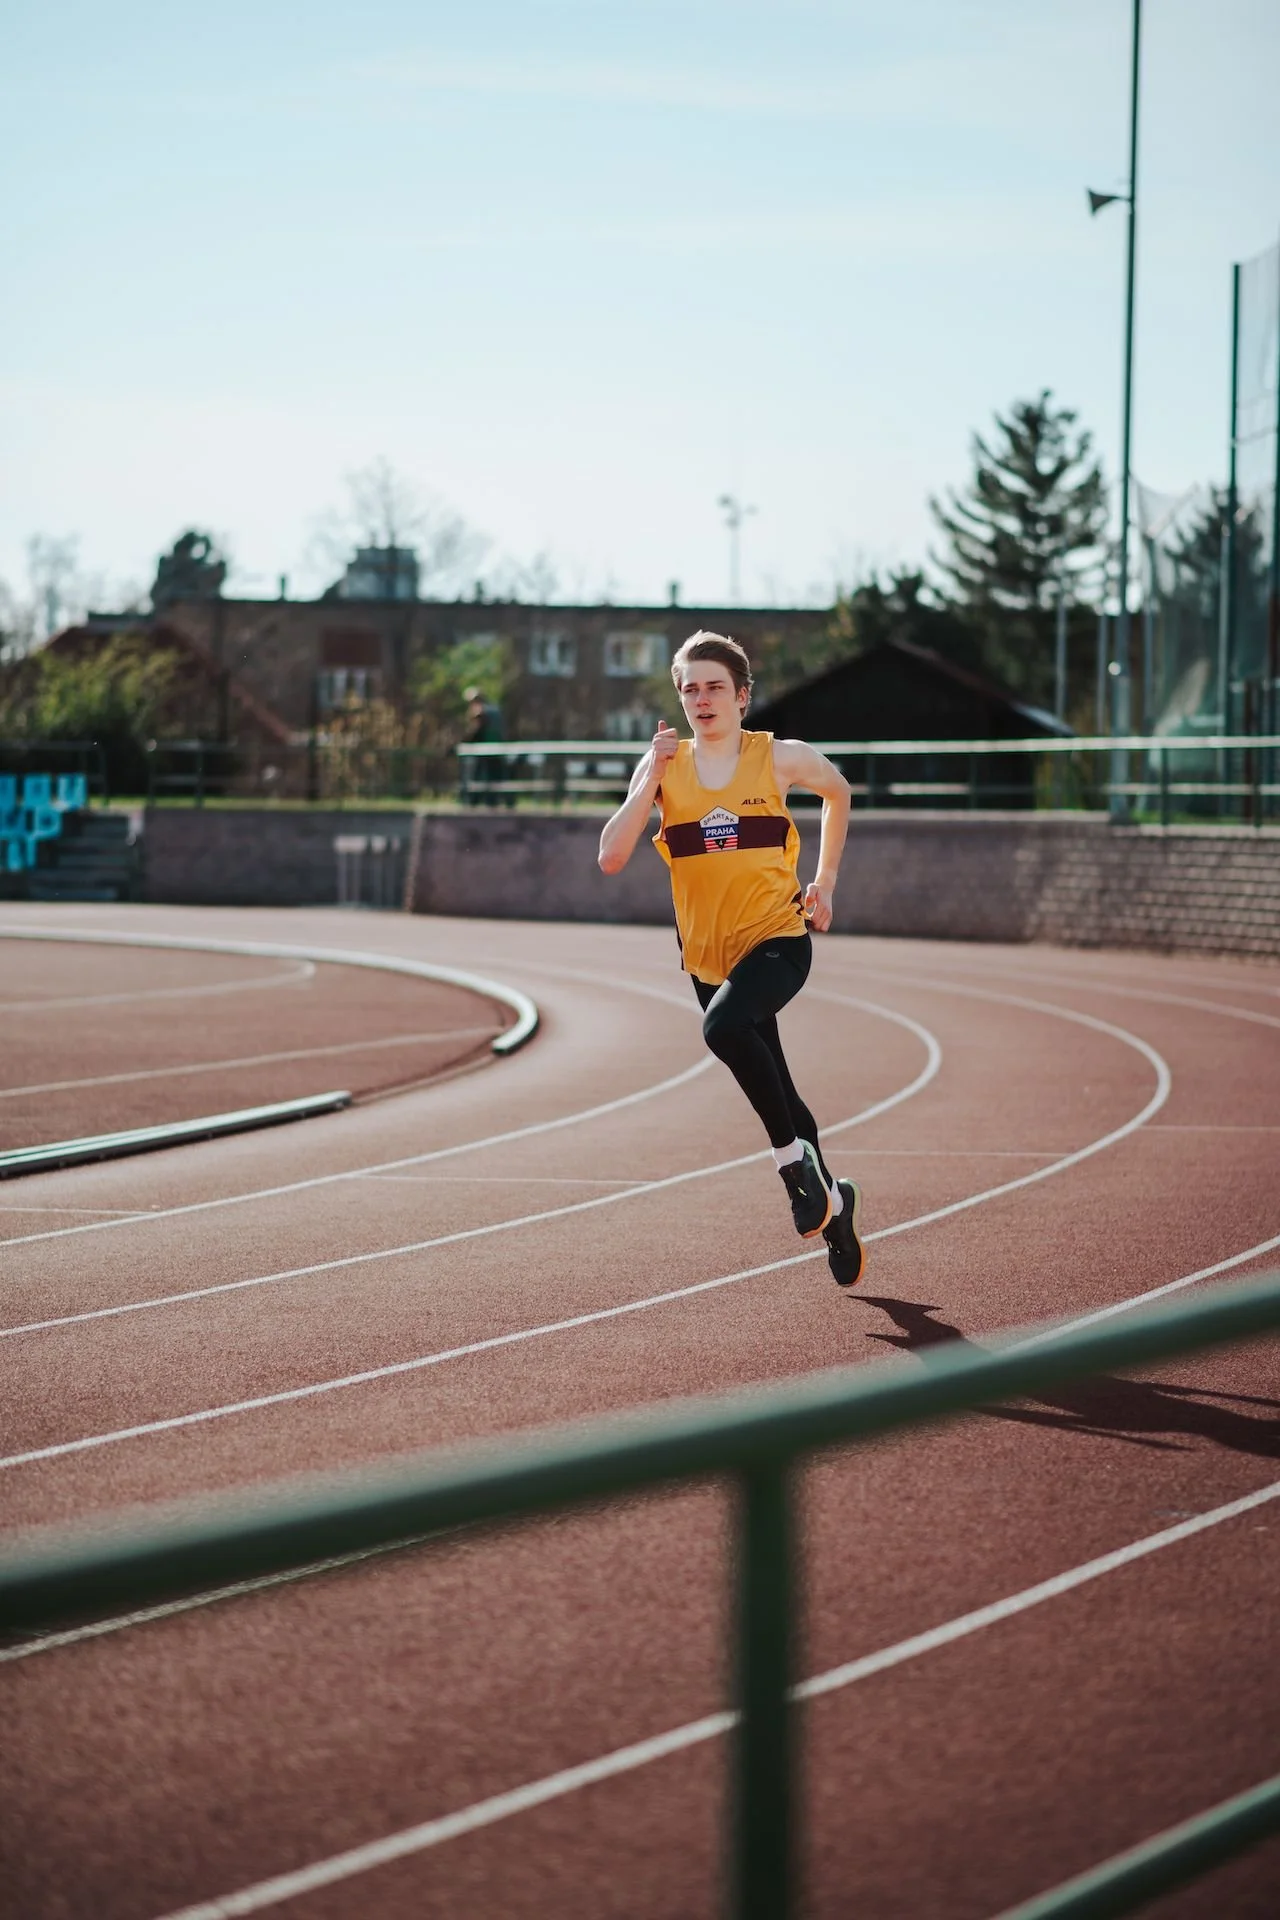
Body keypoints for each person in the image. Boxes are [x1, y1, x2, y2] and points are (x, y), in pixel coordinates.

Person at [598, 630, 865, 1285]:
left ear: (742, 696)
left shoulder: (777, 757)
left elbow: (838, 791)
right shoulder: (662, 766)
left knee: (722, 1028)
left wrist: (826, 882)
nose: (702, 699)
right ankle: (834, 1206)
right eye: (690, 689)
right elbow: (610, 856)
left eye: (715, 687)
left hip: (778, 939)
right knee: (778, 1088)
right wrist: (650, 778)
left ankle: (794, 1170)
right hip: (706, 958)